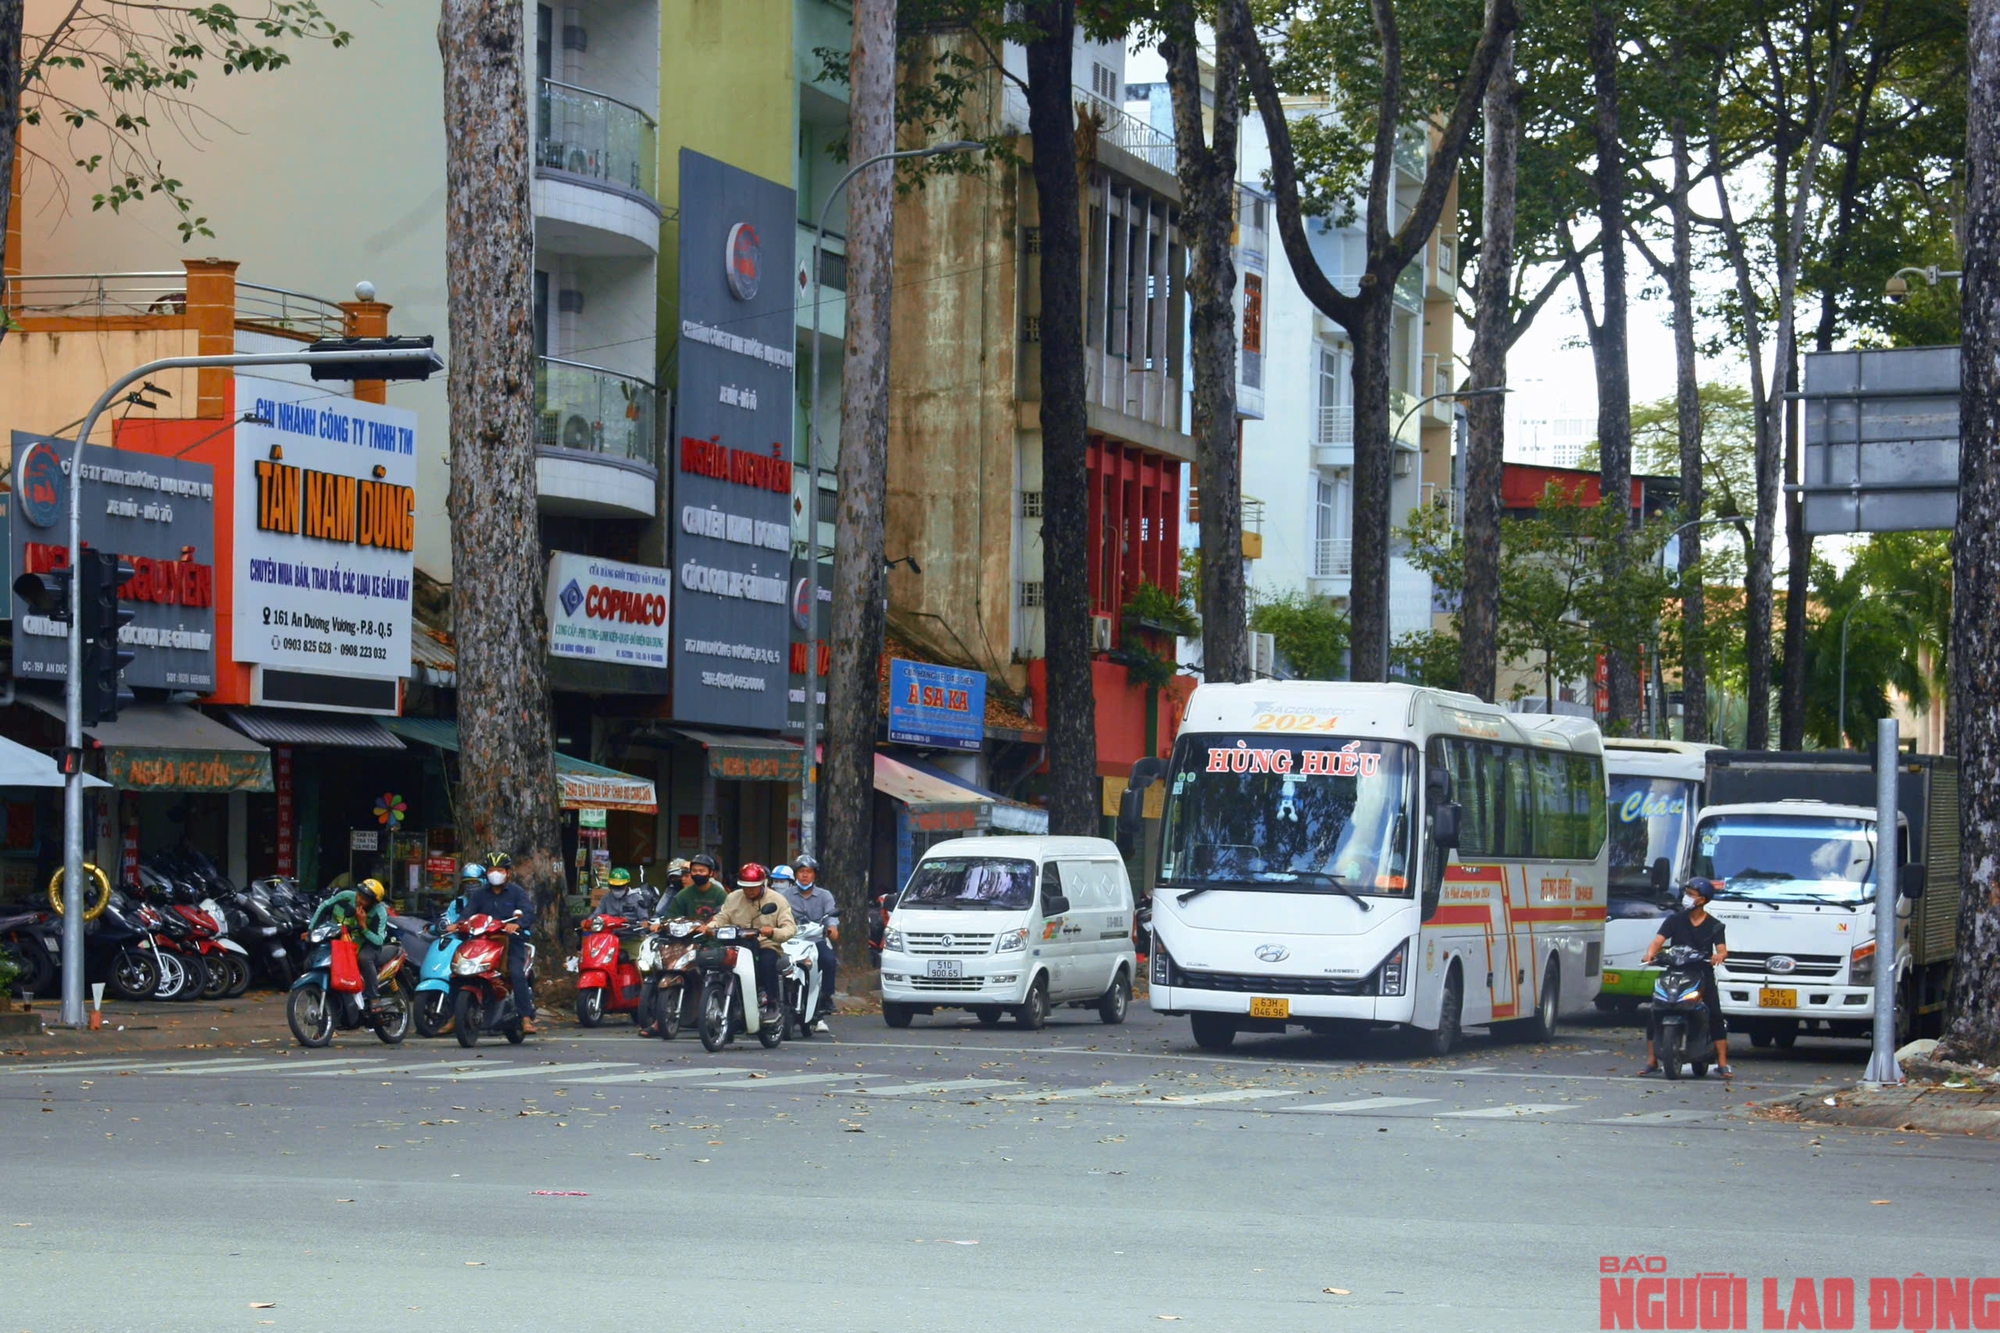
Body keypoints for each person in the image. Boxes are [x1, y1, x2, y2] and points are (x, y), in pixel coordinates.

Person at [1640, 877, 1732, 1078]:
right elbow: (1658, 941)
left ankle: (1723, 1063)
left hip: (1701, 974)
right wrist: (1650, 954)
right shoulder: (1675, 920)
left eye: (1691, 894)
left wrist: (1719, 956)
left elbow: (1723, 950)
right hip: (1674, 971)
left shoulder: (1715, 926)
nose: (1686, 897)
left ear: (1702, 900)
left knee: (1714, 1014)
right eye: (1687, 893)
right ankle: (1652, 1060)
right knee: (1655, 1010)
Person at [703, 862, 795, 1022]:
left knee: (767, 961)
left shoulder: (777, 900)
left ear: (763, 883)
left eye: (754, 887)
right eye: (745, 887)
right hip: (736, 943)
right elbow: (722, 917)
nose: (749, 891)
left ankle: (772, 1002)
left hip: (765, 944)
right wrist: (710, 927)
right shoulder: (733, 897)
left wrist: (772, 931)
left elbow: (790, 928)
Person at [463, 854, 538, 1035]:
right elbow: (468, 913)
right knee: (460, 972)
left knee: (516, 973)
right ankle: (453, 1016)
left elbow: (528, 912)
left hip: (511, 942)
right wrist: (458, 923)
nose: (494, 874)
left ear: (508, 873)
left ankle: (526, 1018)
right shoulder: (479, 894)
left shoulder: (517, 893)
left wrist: (517, 924)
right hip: (484, 942)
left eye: (499, 870)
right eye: (491, 870)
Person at [310, 878, 391, 1010]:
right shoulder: (346, 897)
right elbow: (324, 906)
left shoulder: (379, 912)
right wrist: (310, 930)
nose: (359, 900)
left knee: (364, 959)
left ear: (373, 903)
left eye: (365, 899)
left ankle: (374, 997)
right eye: (359, 895)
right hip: (341, 942)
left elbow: (379, 940)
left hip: (367, 945)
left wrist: (363, 925)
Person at [782, 854, 840, 1031]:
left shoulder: (825, 895)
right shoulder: (786, 895)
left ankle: (826, 997)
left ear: (815, 875)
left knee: (829, 960)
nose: (805, 875)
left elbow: (831, 915)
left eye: (808, 872)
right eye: (801, 871)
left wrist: (832, 928)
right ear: (795, 875)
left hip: (815, 939)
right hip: (791, 939)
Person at [660, 853, 728, 924]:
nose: (697, 874)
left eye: (701, 871)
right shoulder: (683, 894)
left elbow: (727, 917)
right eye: (694, 871)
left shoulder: (720, 894)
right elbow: (670, 917)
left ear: (711, 873)